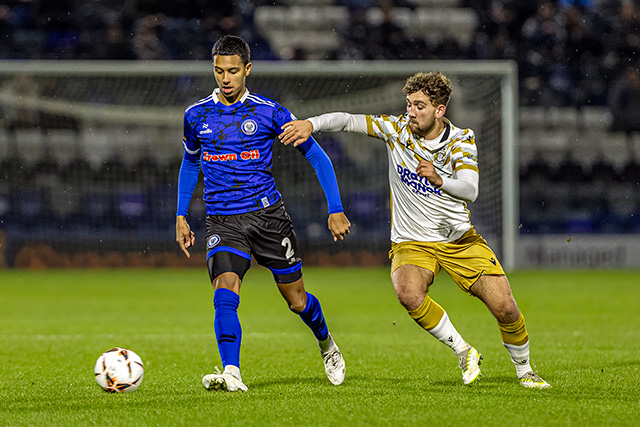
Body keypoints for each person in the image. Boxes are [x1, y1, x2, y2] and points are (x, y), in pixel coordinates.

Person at [279, 71, 550, 389]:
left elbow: (470, 189)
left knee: (505, 307)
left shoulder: (461, 140)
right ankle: (463, 350)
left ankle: (525, 370)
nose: (411, 112)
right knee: (407, 293)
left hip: (458, 239)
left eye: (419, 106)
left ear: (440, 110)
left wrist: (439, 179)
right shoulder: (396, 130)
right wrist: (312, 123)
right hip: (412, 241)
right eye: (409, 104)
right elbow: (348, 120)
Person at [176, 35, 351, 392]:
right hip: (222, 220)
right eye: (219, 71)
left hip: (269, 218)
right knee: (224, 290)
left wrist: (335, 208)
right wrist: (181, 214)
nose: (225, 78)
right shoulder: (196, 116)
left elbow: (317, 156)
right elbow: (189, 163)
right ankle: (232, 372)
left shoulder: (269, 112)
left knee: (297, 301)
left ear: (247, 70)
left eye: (233, 71)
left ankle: (326, 342)